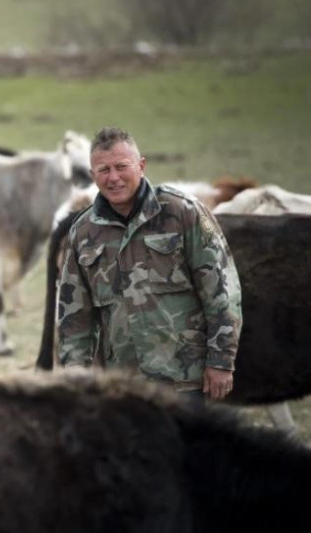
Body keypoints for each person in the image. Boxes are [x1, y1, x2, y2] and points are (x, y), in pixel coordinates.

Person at [56, 127, 242, 400]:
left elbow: (222, 292)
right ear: (93, 176)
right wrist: (76, 377)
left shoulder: (182, 213)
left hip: (185, 379)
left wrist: (221, 361)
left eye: (122, 166)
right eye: (104, 170)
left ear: (141, 166)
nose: (113, 177)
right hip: (122, 385)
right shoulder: (83, 231)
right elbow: (74, 315)